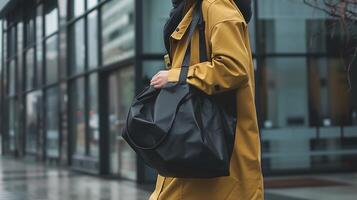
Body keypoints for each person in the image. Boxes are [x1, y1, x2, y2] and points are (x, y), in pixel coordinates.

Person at [149, 0, 264, 199]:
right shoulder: (192, 11)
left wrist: (176, 76)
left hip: (214, 148)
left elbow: (232, 69)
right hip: (198, 145)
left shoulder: (216, 8)